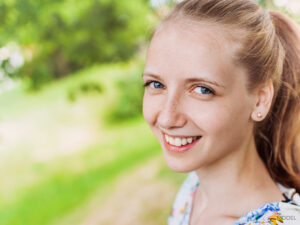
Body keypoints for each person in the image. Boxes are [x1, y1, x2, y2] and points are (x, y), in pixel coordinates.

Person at [142, 0, 300, 224]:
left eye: (202, 89)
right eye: (156, 84)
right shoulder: (193, 188)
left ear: (260, 101)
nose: (167, 118)